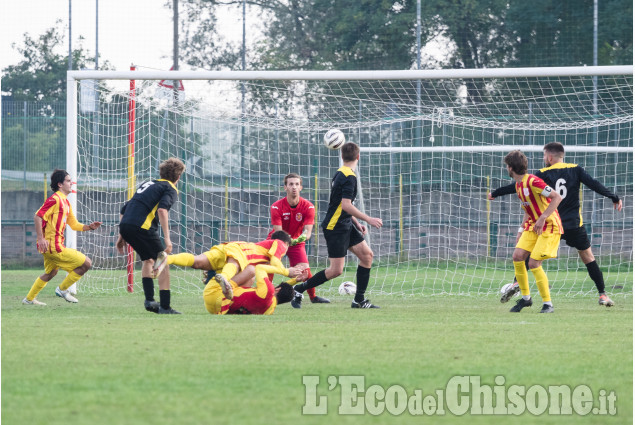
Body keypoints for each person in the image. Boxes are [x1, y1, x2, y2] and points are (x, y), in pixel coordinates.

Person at [489, 142, 622, 307]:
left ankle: (517, 284)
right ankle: (602, 294)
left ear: (550, 157)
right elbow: (594, 184)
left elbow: (517, 186)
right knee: (588, 257)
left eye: (544, 156)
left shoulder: (542, 173)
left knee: (528, 254)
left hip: (549, 222)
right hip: (573, 224)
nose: (544, 159)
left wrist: (495, 192)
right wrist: (613, 196)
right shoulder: (576, 169)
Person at [291, 142, 383, 309]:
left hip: (346, 224)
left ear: (341, 156)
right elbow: (346, 205)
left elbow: (340, 205)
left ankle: (359, 300)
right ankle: (299, 289)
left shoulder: (341, 173)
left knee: (367, 256)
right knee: (335, 270)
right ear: (358, 156)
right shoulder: (349, 177)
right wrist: (368, 219)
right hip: (336, 228)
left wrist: (356, 222)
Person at [165, 231, 306, 314]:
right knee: (250, 271)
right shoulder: (280, 243)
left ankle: (167, 259)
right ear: (285, 244)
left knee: (197, 262)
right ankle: (223, 277)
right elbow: (276, 263)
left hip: (229, 250)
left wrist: (294, 280)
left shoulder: (265, 263)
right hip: (241, 252)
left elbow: (270, 287)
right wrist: (288, 271)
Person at [116, 157, 185, 314]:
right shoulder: (170, 188)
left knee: (149, 260)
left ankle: (150, 301)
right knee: (163, 261)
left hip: (127, 225)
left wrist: (122, 235)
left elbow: (124, 208)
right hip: (142, 227)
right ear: (178, 177)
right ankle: (165, 307)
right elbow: (162, 210)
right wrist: (167, 239)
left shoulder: (149, 184)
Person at [22, 169, 102, 305]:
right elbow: (38, 216)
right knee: (86, 263)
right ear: (60, 184)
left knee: (51, 273)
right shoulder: (55, 200)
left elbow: (74, 224)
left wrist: (89, 227)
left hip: (50, 247)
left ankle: (29, 299)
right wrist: (41, 238)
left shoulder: (66, 202)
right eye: (68, 181)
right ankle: (63, 289)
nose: (71, 184)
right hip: (53, 246)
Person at [502, 150, 562, 313]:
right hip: (532, 226)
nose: (506, 169)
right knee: (517, 256)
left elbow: (557, 197)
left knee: (534, 263)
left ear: (510, 168)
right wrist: (521, 229)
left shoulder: (534, 181)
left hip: (549, 226)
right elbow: (528, 209)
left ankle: (548, 304)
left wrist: (542, 218)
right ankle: (526, 299)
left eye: (507, 166)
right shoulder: (518, 185)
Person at [268, 172, 330, 308]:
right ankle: (266, 297)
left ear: (301, 187)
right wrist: (288, 241)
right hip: (277, 242)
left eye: (297, 184)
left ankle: (312, 297)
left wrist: (299, 239)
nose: (294, 187)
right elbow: (278, 233)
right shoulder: (276, 206)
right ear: (285, 187)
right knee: (269, 268)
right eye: (290, 184)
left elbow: (308, 232)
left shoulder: (308, 207)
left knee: (305, 272)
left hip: (296, 243)